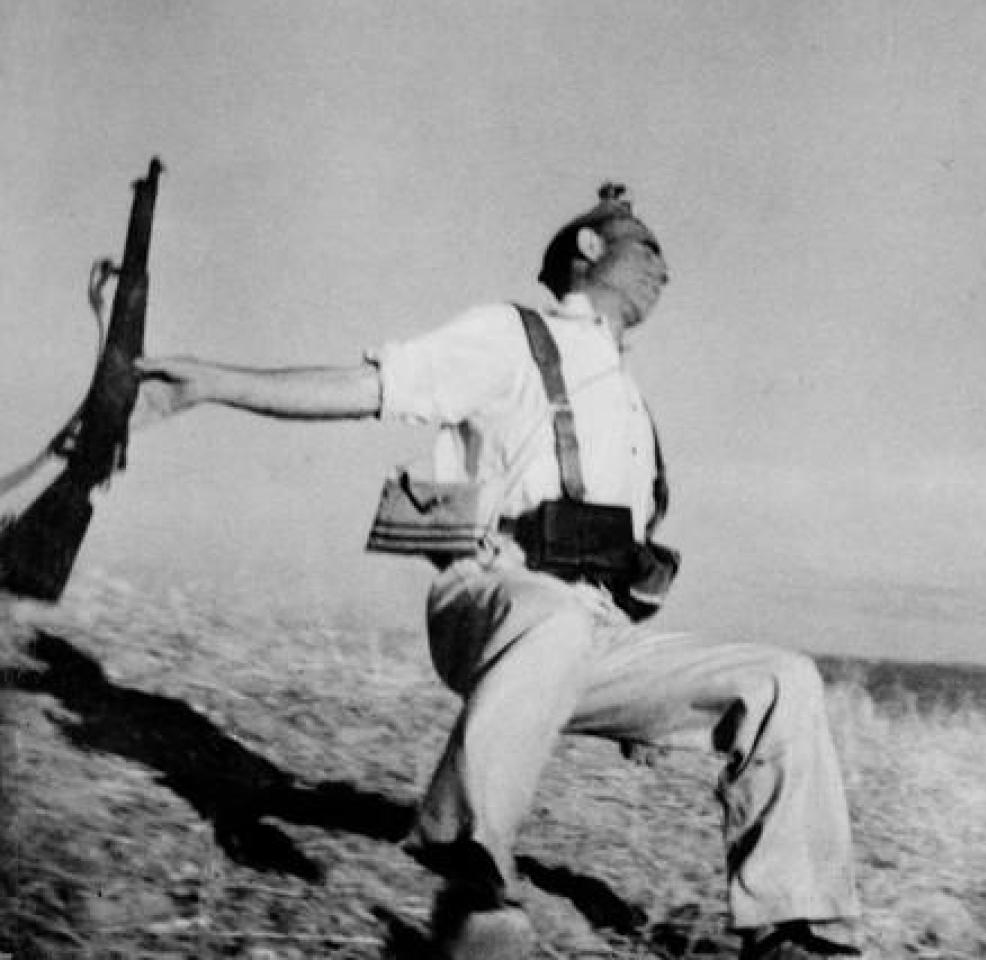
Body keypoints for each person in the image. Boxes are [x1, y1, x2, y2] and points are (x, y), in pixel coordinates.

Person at [134, 184, 863, 960]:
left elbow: (622, 562)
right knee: (549, 619)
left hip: (589, 632)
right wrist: (211, 382)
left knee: (783, 679)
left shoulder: (631, 403)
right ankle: (473, 878)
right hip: (490, 597)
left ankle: (796, 930)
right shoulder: (510, 336)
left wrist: (654, 703)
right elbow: (368, 388)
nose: (665, 273)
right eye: (650, 250)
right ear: (590, 249)